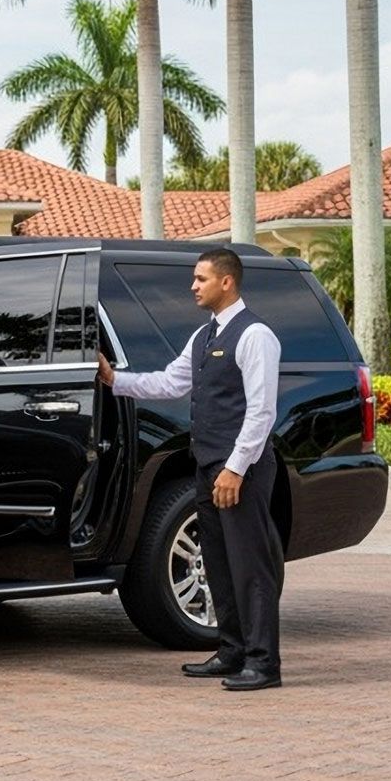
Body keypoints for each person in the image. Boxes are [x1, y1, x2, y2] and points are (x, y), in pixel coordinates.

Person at [97, 247, 285, 690]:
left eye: (201, 279)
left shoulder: (256, 335)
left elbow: (261, 412)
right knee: (218, 563)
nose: (193, 286)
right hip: (207, 465)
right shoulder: (203, 337)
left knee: (250, 566)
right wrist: (114, 381)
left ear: (227, 282)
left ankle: (264, 663)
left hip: (243, 470)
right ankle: (232, 650)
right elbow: (170, 381)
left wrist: (236, 469)